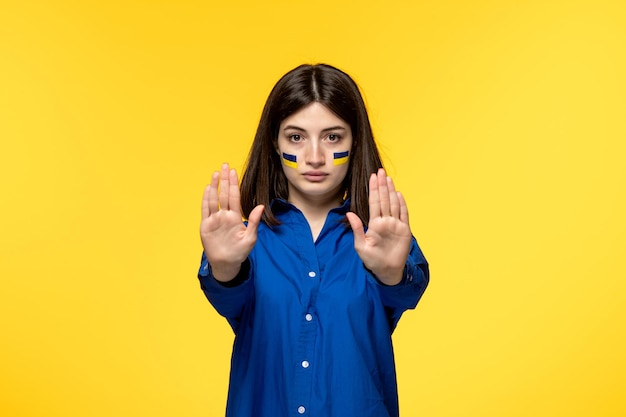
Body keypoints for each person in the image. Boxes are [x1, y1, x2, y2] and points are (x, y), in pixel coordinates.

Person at [197, 63, 429, 417]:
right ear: (274, 143)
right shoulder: (245, 241)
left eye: (333, 137)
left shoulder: (380, 239)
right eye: (296, 137)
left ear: (355, 142)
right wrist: (226, 268)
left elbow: (406, 292)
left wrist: (392, 274)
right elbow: (228, 300)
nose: (316, 157)